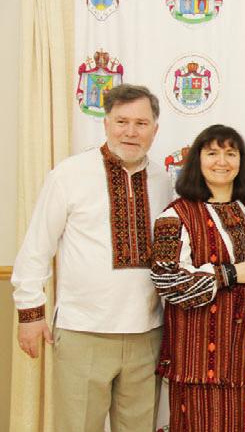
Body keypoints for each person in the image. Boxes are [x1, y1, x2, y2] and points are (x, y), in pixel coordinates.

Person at [11, 84, 171, 432]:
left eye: (141, 123)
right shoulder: (69, 174)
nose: (131, 132)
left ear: (155, 130)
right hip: (83, 331)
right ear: (106, 123)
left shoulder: (164, 181)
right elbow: (37, 247)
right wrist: (30, 314)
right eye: (122, 121)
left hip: (147, 334)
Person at [150, 124, 245, 431]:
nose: (222, 161)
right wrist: (229, 274)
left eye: (230, 153)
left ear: (240, 161)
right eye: (212, 153)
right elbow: (167, 280)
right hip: (198, 360)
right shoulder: (175, 215)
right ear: (198, 160)